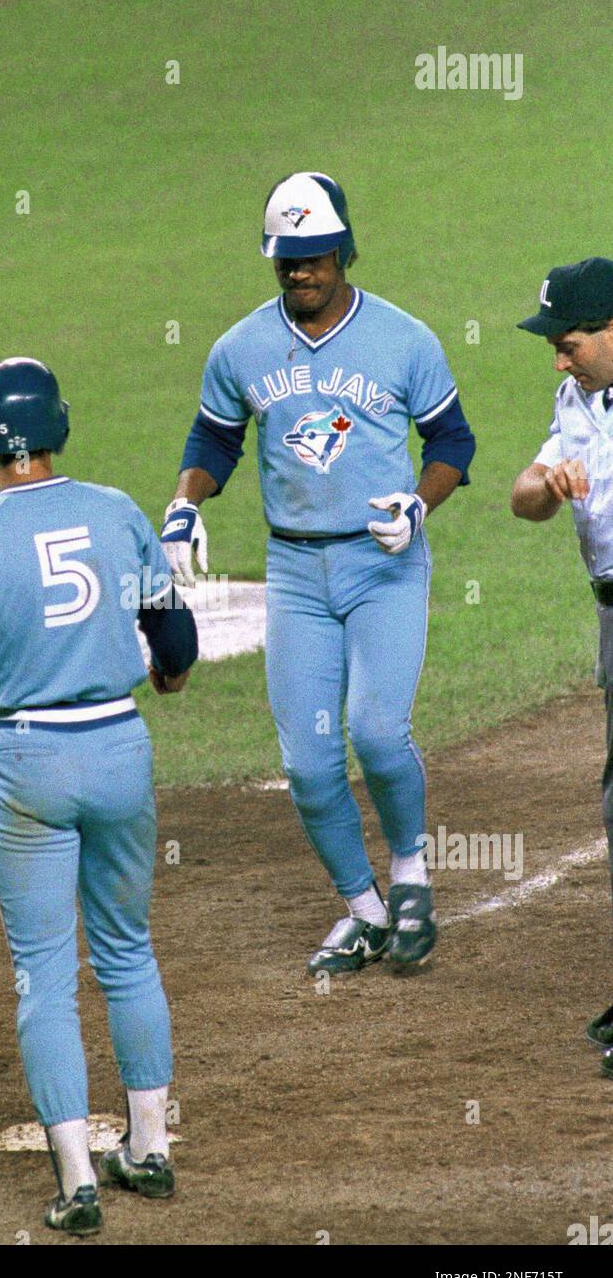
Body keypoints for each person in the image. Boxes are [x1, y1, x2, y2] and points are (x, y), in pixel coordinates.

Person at [161, 171, 475, 976]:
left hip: (384, 564)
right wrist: (185, 505)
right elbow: (215, 442)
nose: (300, 273)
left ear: (342, 251)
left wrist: (417, 505)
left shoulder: (404, 339)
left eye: (312, 257)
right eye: (285, 261)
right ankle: (363, 910)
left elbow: (452, 446)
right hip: (294, 572)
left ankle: (409, 870)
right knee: (306, 761)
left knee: (375, 729)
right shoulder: (241, 348)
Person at [0, 357, 198, 1234]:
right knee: (127, 950)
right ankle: (150, 1150)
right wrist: (167, 670)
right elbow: (177, 638)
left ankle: (79, 1182)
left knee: (44, 973)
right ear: (59, 425)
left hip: (28, 765)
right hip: (119, 749)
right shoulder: (116, 511)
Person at [510, 258, 613, 1079]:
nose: (558, 358)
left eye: (569, 343)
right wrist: (547, 482)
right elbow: (523, 494)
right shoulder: (578, 396)